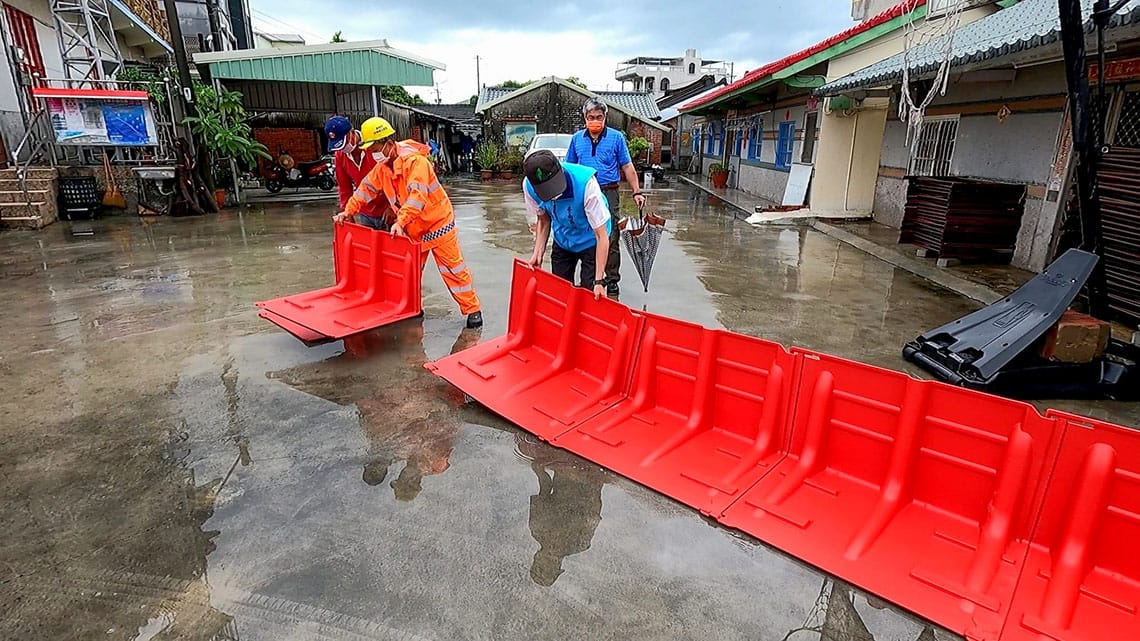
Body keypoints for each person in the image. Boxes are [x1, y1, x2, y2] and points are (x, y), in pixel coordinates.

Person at [336, 117, 483, 329]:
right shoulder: (382, 168)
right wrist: (347, 211)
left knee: (453, 269)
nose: (373, 155)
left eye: (374, 149)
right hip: (413, 229)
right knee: (409, 273)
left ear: (388, 143)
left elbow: (417, 197)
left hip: (437, 224)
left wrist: (400, 221)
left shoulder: (416, 163)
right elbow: (364, 190)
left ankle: (472, 310)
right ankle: (412, 308)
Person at [565, 97, 648, 297]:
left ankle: (611, 280)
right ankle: (591, 278)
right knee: (585, 234)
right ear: (584, 118)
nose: (595, 121)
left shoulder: (616, 138)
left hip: (608, 191)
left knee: (610, 236)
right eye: (591, 117)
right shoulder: (577, 139)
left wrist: (637, 191)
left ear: (605, 117)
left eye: (599, 117)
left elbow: (627, 166)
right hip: (584, 193)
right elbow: (569, 168)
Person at [522, 149, 611, 299]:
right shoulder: (529, 186)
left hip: (592, 238)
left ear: (560, 170)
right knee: (560, 290)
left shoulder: (586, 185)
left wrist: (599, 281)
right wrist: (538, 253)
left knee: (590, 293)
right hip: (563, 237)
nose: (554, 195)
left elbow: (601, 236)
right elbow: (543, 219)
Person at [324, 115, 392, 230]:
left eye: (344, 143)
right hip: (365, 211)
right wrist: (347, 211)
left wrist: (393, 207)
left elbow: (392, 179)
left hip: (387, 210)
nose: (343, 149)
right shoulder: (340, 155)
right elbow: (344, 187)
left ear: (352, 132)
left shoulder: (374, 148)